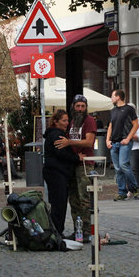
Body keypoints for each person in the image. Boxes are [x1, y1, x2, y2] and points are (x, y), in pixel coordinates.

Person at [52, 94, 98, 238]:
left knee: (84, 198)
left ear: (86, 107)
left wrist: (69, 142)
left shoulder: (89, 121)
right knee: (74, 199)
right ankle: (78, 230)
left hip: (85, 165)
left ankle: (87, 231)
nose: (80, 109)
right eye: (77, 106)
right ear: (73, 107)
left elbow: (89, 142)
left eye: (83, 106)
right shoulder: (72, 122)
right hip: (73, 164)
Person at [42, 109, 79, 237]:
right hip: (56, 173)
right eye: (64, 120)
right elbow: (61, 153)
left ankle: (56, 231)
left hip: (54, 173)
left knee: (57, 203)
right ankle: (57, 232)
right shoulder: (57, 134)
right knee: (59, 204)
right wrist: (77, 157)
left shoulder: (53, 133)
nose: (67, 123)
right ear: (56, 122)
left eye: (67, 120)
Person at [106, 88, 139, 200]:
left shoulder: (129, 109)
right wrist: (107, 140)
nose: (111, 98)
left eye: (112, 96)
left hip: (124, 142)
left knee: (123, 165)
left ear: (118, 97)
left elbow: (136, 125)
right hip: (114, 143)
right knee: (118, 169)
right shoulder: (113, 111)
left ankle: (134, 188)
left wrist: (128, 138)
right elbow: (110, 126)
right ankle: (122, 192)